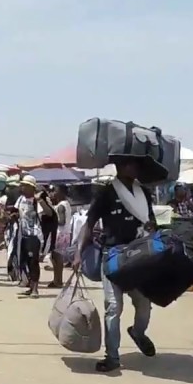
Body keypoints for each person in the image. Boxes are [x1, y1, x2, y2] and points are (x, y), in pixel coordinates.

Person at [71, 157, 156, 372]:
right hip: (113, 255)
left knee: (144, 304)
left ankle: (138, 332)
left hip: (138, 255)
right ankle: (112, 357)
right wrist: (78, 253)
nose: (135, 168)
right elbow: (89, 223)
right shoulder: (106, 193)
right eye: (131, 164)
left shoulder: (143, 193)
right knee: (113, 307)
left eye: (137, 165)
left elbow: (151, 222)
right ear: (121, 166)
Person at [12, 177, 43, 297]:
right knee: (25, 261)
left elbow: (46, 214)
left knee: (33, 261)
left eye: (25, 185)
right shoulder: (20, 199)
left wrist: (42, 201)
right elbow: (15, 212)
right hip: (22, 234)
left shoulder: (36, 201)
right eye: (22, 185)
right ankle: (30, 286)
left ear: (32, 188)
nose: (22, 187)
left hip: (34, 235)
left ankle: (35, 289)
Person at [49, 185, 73, 288]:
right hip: (66, 233)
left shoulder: (61, 206)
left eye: (55, 191)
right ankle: (57, 279)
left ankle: (58, 280)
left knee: (56, 258)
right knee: (57, 258)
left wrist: (52, 220)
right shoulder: (66, 204)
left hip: (60, 233)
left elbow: (61, 221)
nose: (53, 193)